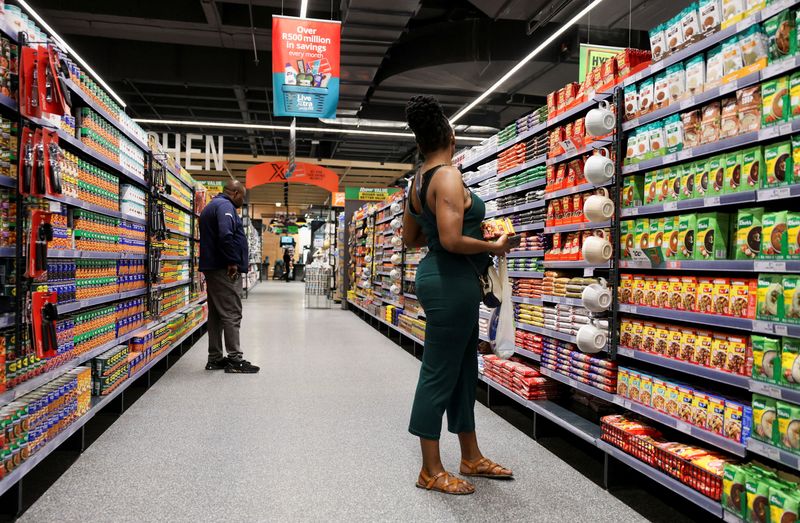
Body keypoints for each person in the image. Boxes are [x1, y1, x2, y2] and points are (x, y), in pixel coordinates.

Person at [403, 96, 513, 495]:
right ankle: (429, 470)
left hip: (443, 276)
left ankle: (471, 455)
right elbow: (450, 239)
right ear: (450, 136)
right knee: (438, 372)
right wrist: (494, 246)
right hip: (450, 281)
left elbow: (412, 237)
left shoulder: (416, 181)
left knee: (464, 368)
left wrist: (459, 233)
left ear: (420, 143)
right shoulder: (447, 175)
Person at [198, 179, 260, 374]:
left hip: (213, 266)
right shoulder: (225, 206)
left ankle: (215, 358)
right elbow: (225, 235)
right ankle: (235, 359)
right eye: (243, 196)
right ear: (235, 193)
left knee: (217, 314)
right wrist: (233, 261)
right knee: (232, 312)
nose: (243, 200)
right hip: (223, 268)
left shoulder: (212, 205)